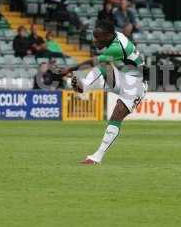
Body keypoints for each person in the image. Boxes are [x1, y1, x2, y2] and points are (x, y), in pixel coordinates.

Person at [60, 20, 146, 165]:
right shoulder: (114, 37)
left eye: (97, 37)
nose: (94, 41)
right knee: (105, 65)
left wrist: (69, 69)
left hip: (136, 85)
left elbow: (94, 62)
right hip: (124, 78)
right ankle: (84, 86)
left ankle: (97, 156)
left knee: (116, 115)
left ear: (107, 36)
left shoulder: (117, 47)